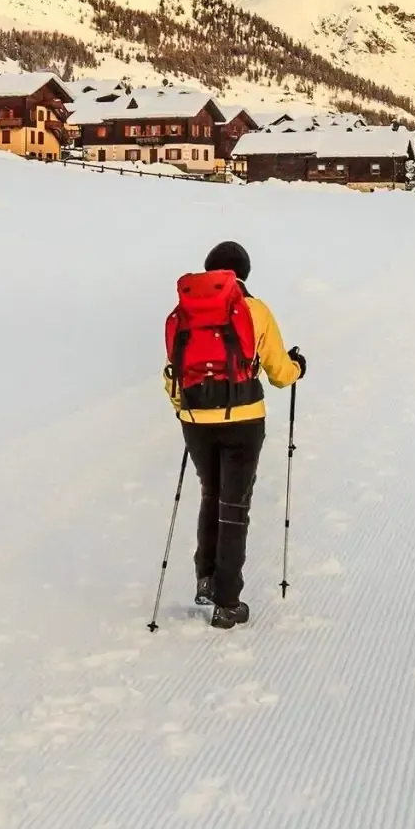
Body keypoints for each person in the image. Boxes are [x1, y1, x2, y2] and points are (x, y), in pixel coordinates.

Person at [165, 240, 304, 629]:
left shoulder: (185, 312)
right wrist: (298, 368)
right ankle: (228, 601)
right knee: (234, 506)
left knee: (211, 493)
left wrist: (186, 407)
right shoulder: (255, 310)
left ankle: (205, 579)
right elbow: (279, 373)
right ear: (244, 272)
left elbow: (173, 372)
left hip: (195, 419)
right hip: (244, 418)